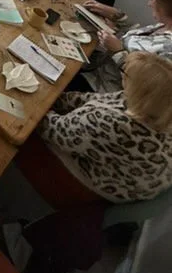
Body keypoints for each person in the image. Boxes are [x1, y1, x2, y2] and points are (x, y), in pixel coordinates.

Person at [30, 53, 172, 205]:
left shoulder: (115, 124)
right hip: (124, 168)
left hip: (98, 186)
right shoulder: (154, 107)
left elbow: (51, 129)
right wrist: (55, 95)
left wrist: (38, 96)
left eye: (125, 74)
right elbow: (89, 99)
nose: (122, 74)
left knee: (27, 127)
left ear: (140, 91)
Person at [75, 0, 172, 92]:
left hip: (102, 89)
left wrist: (117, 51)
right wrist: (117, 15)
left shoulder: (168, 51)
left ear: (166, 7)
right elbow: (136, 37)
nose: (149, 4)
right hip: (95, 67)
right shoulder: (162, 26)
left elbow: (142, 83)